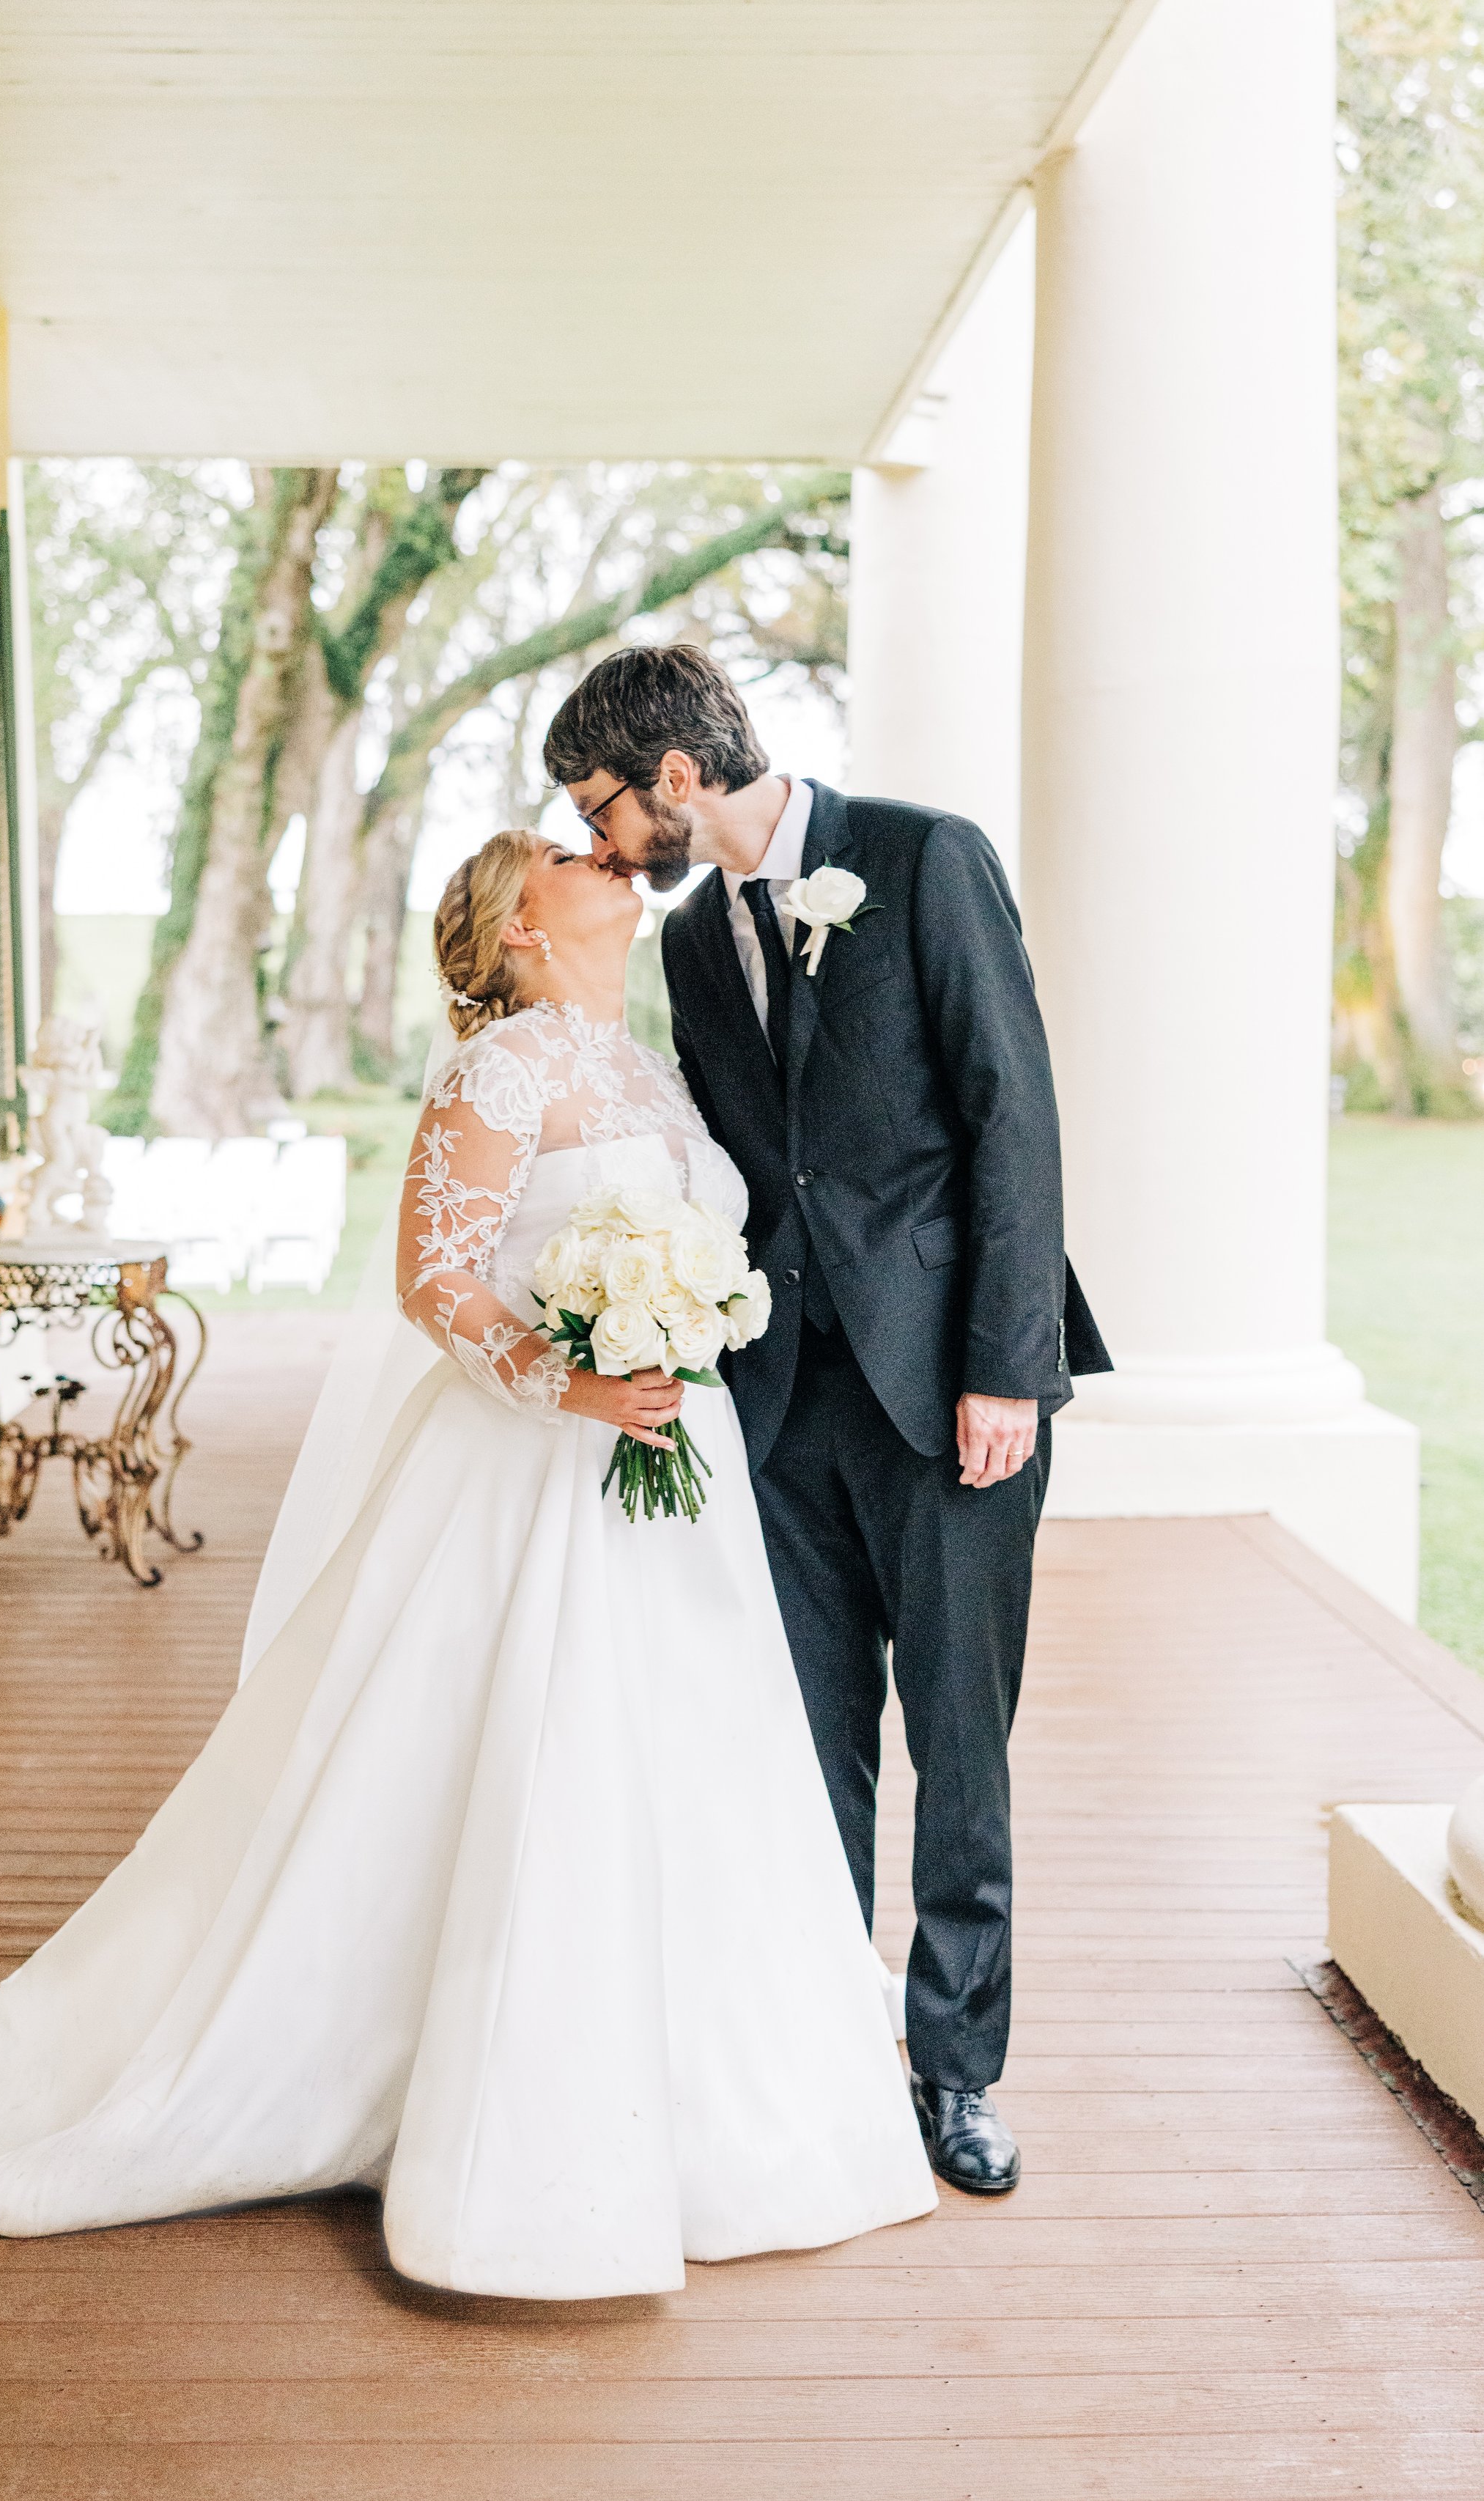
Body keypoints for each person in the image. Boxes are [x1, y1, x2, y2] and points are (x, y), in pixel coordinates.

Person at [0, 828, 936, 2297]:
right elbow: (433, 1278)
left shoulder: (651, 1069)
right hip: (531, 1464)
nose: (604, 852)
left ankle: (716, 2096)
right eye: (565, 852)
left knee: (691, 1748)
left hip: (672, 1473)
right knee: (523, 1753)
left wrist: (690, 1326)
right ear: (517, 925)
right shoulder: (494, 1071)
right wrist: (573, 1380)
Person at [544, 644, 1111, 2198]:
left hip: (950, 1395)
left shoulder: (925, 860)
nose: (602, 841)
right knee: (805, 1746)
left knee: (959, 1747)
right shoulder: (688, 940)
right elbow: (733, 1161)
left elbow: (1012, 1115)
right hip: (778, 1405)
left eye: (602, 805)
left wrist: (1006, 1367)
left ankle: (956, 2069)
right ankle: (823, 2048)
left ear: (674, 775)